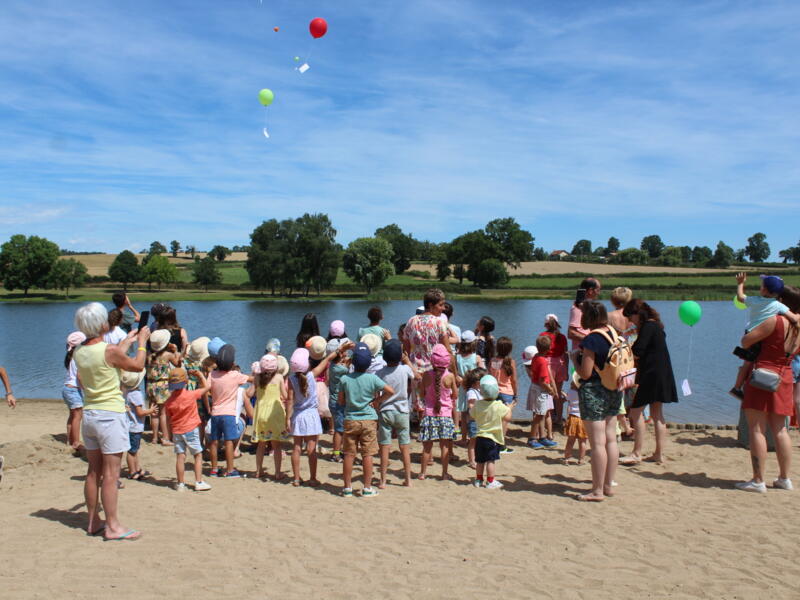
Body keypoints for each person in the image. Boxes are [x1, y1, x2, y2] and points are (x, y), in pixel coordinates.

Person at [72, 301, 149, 540]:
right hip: (110, 415)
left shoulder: (79, 350)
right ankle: (113, 526)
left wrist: (127, 341)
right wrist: (142, 343)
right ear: (101, 324)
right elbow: (137, 366)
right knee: (111, 475)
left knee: (93, 472)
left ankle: (93, 521)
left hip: (91, 414)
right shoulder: (109, 351)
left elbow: (106, 356)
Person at [735, 302, 800, 492]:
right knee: (781, 429)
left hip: (763, 375)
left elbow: (745, 341)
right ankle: (784, 478)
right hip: (785, 374)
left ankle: (758, 480)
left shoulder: (775, 321)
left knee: (757, 428)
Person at [618, 299, 678, 465]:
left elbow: (638, 350)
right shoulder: (657, 325)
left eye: (630, 317)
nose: (630, 321)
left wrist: (623, 350)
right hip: (663, 374)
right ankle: (658, 454)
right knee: (657, 415)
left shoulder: (648, 326)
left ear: (638, 313)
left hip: (651, 375)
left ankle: (636, 453)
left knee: (635, 413)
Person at [574, 300, 620, 502]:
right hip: (614, 389)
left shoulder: (592, 339)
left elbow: (585, 373)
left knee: (597, 444)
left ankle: (597, 490)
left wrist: (574, 359)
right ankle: (608, 485)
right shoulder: (613, 332)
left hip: (594, 391)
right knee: (611, 439)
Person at [338, 342, 394, 497]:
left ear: (353, 362)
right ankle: (367, 487)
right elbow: (390, 391)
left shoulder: (344, 379)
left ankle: (347, 488)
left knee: (349, 454)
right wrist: (377, 401)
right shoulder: (372, 378)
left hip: (351, 419)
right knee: (367, 454)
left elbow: (341, 401)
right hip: (369, 420)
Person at [730, 273, 798, 399]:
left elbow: (740, 297)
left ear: (764, 290)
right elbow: (793, 318)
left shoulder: (755, 300)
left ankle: (737, 387)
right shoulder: (778, 305)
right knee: (752, 362)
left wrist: (740, 283)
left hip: (750, 333)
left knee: (747, 363)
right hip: (762, 336)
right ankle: (740, 388)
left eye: (761, 285)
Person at [286, 346, 340, 486]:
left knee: (296, 447)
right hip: (311, 415)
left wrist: (287, 419)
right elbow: (327, 359)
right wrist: (339, 350)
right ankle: (312, 478)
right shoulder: (311, 375)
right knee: (311, 448)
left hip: (298, 415)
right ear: (307, 363)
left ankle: (296, 478)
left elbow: (290, 400)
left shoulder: (291, 380)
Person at [376, 339, 419, 488]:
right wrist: (407, 360)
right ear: (400, 355)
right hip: (402, 411)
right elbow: (417, 376)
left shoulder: (380, 372)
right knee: (404, 446)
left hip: (385, 410)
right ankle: (408, 479)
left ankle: (382, 480)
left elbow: (376, 391)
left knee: (384, 446)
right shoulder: (404, 369)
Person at [208, 344, 252, 478]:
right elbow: (251, 379)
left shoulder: (212, 374)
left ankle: (214, 469)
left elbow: (206, 388)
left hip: (215, 413)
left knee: (214, 442)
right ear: (232, 363)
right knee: (229, 442)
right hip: (229, 414)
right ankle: (230, 469)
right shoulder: (235, 375)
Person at [165, 367, 212, 491]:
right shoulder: (191, 395)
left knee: (180, 456)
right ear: (185, 381)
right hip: (191, 429)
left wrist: (169, 435)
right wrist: (200, 375)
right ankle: (199, 481)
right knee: (197, 454)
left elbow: (168, 420)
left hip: (177, 431)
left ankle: (181, 484)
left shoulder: (169, 402)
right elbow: (207, 387)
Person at [418, 344, 459, 480]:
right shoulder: (450, 376)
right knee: (445, 446)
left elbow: (422, 394)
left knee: (427, 447)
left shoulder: (426, 375)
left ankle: (423, 473)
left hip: (429, 414)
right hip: (445, 415)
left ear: (432, 360)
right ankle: (444, 473)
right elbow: (455, 395)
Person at [470, 374, 515, 489]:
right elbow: (508, 417)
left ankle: (479, 480)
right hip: (492, 438)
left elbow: (472, 415)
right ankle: (490, 481)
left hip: (480, 437)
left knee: (480, 460)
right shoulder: (498, 405)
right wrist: (509, 408)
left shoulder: (478, 404)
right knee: (490, 460)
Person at [251, 354, 288, 480]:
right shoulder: (279, 377)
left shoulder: (257, 377)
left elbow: (251, 393)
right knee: (276, 445)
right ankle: (277, 472)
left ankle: (259, 470)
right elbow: (285, 396)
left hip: (261, 413)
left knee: (261, 444)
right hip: (274, 413)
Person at [607, 288, 636, 438]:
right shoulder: (634, 316)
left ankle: (618, 425)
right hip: (631, 357)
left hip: (616, 358)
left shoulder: (609, 316)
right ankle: (631, 425)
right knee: (630, 391)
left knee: (615, 391)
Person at [402, 288, 452, 374]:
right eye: (440, 305)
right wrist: (455, 374)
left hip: (415, 372)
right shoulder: (439, 322)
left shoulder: (411, 321)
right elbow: (448, 351)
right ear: (431, 305)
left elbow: (406, 350)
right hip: (435, 373)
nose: (443, 308)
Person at [145, 330, 182, 445]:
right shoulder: (167, 355)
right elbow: (178, 364)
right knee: (163, 413)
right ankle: (165, 437)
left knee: (154, 412)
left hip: (151, 385)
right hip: (162, 386)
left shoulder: (149, 355)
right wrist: (176, 351)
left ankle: (154, 437)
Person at [525, 337, 560, 449]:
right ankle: (532, 438)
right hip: (541, 390)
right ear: (549, 348)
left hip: (535, 387)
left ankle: (542, 437)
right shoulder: (543, 361)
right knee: (539, 415)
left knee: (541, 413)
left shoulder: (536, 357)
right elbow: (542, 381)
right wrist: (551, 390)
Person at [121, 369, 156, 481]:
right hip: (135, 427)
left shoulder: (127, 392)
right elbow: (140, 413)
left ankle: (137, 469)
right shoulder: (136, 394)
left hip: (131, 426)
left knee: (134, 450)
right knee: (132, 451)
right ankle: (132, 472)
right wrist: (150, 411)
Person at [489, 336, 518, 453]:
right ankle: (501, 445)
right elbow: (514, 380)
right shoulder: (511, 362)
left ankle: (494, 442)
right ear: (509, 349)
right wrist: (516, 394)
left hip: (495, 392)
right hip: (507, 392)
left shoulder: (494, 360)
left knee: (496, 418)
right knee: (505, 420)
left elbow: (492, 375)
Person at [539, 314, 569, 426]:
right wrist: (567, 369)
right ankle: (559, 418)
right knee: (558, 393)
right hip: (560, 364)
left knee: (548, 393)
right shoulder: (562, 337)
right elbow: (566, 354)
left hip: (548, 365)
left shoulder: (543, 336)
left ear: (546, 324)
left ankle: (550, 419)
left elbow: (540, 353)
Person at [456, 330, 483, 444]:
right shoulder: (476, 358)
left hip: (462, 388)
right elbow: (482, 373)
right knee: (475, 413)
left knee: (463, 414)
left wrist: (460, 379)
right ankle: (475, 437)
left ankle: (463, 438)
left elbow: (454, 372)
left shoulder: (456, 357)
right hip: (474, 388)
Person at [326, 338, 351, 463]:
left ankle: (338, 451)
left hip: (334, 401)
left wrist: (343, 353)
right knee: (340, 430)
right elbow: (350, 363)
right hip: (338, 403)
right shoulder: (340, 369)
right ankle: (336, 454)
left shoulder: (332, 365)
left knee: (340, 428)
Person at [62, 331, 86, 450]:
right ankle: (76, 441)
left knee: (72, 415)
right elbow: (79, 376)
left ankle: (70, 439)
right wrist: (86, 389)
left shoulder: (71, 356)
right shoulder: (79, 357)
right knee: (78, 416)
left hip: (67, 388)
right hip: (73, 390)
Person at [462, 366, 487, 468]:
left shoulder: (480, 390)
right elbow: (471, 405)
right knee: (473, 441)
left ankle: (478, 458)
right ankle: (472, 461)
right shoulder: (472, 391)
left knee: (480, 441)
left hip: (481, 420)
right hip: (474, 421)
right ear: (477, 382)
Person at [568, 278, 602, 350]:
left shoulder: (592, 306)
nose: (599, 293)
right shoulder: (578, 308)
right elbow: (571, 333)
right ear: (590, 291)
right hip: (581, 351)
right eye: (598, 290)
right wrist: (591, 341)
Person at [562, 383, 588, 464]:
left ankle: (566, 459)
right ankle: (581, 459)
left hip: (572, 417)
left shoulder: (571, 392)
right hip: (583, 419)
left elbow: (568, 399)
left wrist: (562, 392)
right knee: (583, 441)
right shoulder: (586, 392)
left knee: (570, 441)